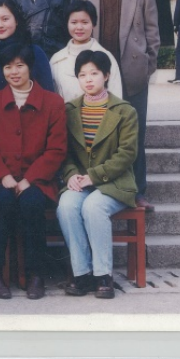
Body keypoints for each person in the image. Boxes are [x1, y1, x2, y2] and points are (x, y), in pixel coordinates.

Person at [72, 0, 159, 211]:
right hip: (94, 72)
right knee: (96, 133)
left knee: (135, 134)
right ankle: (96, 185)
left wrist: (146, 67)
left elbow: (153, 33)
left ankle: (137, 191)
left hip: (131, 73)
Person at [0, 44, 67, 300]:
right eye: (8, 67)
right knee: (0, 200)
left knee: (32, 202)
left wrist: (30, 178)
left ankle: (36, 274)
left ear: (30, 68)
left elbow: (56, 149)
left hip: (38, 179)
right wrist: (3, 175)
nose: (14, 72)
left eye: (19, 66)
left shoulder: (53, 102)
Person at [57, 50, 138, 299]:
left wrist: (93, 176)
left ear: (106, 75)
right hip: (80, 181)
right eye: (82, 75)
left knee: (93, 207)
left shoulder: (125, 111)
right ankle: (81, 273)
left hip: (114, 182)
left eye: (94, 73)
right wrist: (71, 174)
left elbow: (127, 154)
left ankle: (103, 275)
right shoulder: (69, 110)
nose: (88, 79)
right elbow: (64, 151)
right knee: (66, 205)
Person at [0, 0, 55, 97]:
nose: (0, 25)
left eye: (5, 19)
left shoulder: (35, 52)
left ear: (16, 21)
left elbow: (48, 94)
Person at [50, 0, 123, 101]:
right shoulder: (57, 60)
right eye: (74, 22)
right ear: (67, 24)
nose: (79, 27)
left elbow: (116, 96)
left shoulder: (106, 57)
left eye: (85, 22)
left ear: (93, 24)